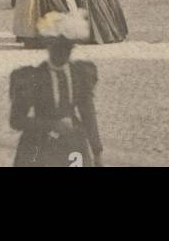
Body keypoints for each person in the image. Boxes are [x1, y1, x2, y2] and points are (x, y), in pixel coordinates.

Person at [10, 11, 102, 167]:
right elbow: (16, 120)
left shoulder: (79, 74)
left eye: (67, 49)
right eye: (57, 49)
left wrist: (97, 151)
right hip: (38, 146)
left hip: (73, 146)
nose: (62, 54)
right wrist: (51, 125)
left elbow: (87, 112)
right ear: (48, 47)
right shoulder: (33, 77)